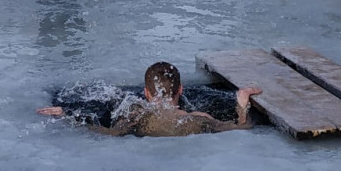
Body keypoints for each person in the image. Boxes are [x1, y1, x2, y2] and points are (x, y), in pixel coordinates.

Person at [37, 62, 262, 137]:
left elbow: (111, 133)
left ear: (146, 92)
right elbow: (244, 127)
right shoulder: (198, 119)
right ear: (181, 90)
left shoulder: (136, 113)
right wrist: (242, 103)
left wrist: (70, 115)